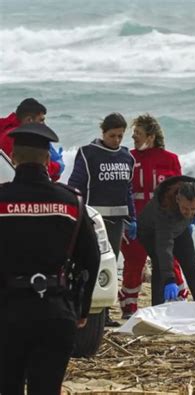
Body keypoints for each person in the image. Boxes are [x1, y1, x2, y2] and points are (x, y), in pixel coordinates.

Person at [0, 123, 100, 394]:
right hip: (55, 310)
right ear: (47, 159)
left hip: (8, 311)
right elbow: (91, 259)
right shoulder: (72, 202)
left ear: (14, 156)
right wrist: (81, 308)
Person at [68, 112, 136, 326]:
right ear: (103, 132)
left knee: (110, 265)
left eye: (120, 136)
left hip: (116, 222)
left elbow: (128, 190)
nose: (116, 140)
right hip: (93, 221)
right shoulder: (89, 154)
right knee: (89, 265)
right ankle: (84, 311)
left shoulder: (128, 157)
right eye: (112, 135)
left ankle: (104, 315)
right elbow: (76, 184)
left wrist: (132, 218)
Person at [119, 114, 189, 319]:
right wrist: (126, 219)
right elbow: (121, 190)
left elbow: (181, 191)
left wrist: (185, 219)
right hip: (135, 221)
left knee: (170, 261)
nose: (134, 138)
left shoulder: (170, 159)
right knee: (133, 263)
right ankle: (129, 308)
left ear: (151, 136)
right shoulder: (127, 158)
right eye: (133, 135)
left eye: (138, 134)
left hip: (164, 222)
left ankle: (178, 301)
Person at [138, 176, 195, 305]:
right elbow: (164, 248)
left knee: (191, 265)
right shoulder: (165, 209)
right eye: (185, 209)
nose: (189, 212)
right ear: (177, 199)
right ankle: (158, 308)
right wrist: (170, 280)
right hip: (151, 232)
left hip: (180, 228)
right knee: (161, 266)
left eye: (193, 209)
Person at [0, 98, 64, 181]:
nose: (44, 125)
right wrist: (58, 166)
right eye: (41, 120)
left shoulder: (6, 130)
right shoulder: (17, 137)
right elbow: (35, 167)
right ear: (29, 120)